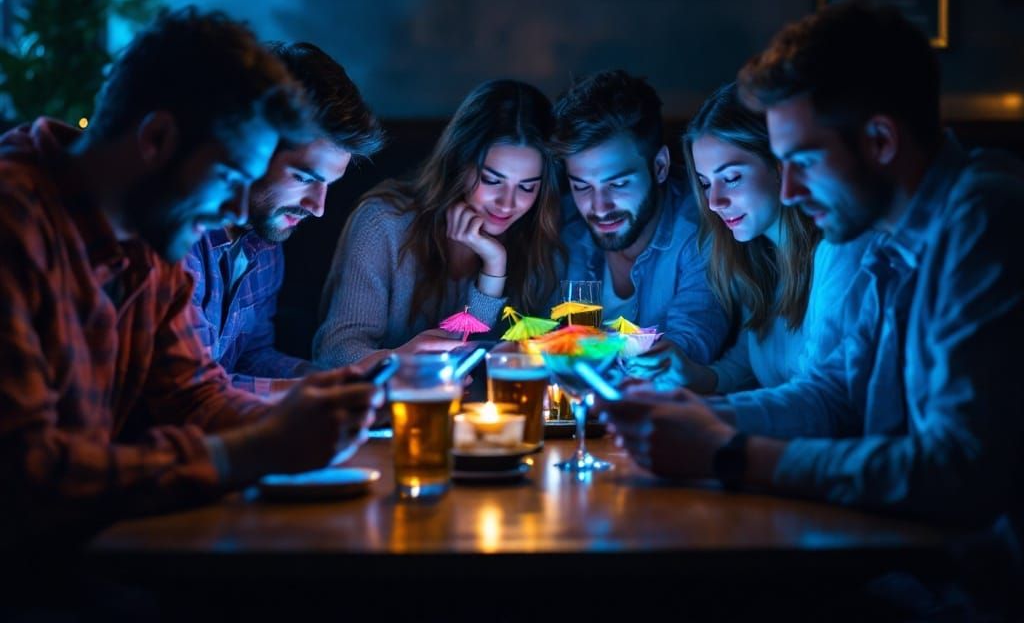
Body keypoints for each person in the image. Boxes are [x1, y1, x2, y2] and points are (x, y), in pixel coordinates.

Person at [602, 0, 1023, 595]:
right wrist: (694, 419)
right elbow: (836, 397)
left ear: (879, 140)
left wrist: (728, 454)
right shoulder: (888, 232)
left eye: (800, 160)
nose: (790, 188)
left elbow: (959, 471)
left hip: (970, 591)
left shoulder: (984, 219)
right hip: (905, 564)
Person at [0, 9, 381, 545]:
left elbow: (195, 396)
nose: (234, 209)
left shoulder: (151, 233)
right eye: (229, 177)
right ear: (155, 139)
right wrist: (253, 450)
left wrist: (306, 416)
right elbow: (31, 477)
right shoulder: (16, 221)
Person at [313, 79, 564, 367]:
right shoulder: (385, 223)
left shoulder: (539, 238)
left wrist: (494, 266)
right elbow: (333, 354)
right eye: (492, 180)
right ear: (459, 163)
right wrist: (401, 359)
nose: (507, 203)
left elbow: (499, 362)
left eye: (527, 187)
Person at [185, 41, 385, 380]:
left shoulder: (265, 240)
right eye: (304, 178)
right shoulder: (181, 235)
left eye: (329, 186)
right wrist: (319, 395)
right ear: (254, 147)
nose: (317, 207)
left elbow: (251, 356)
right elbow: (189, 391)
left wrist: (331, 380)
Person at [663, 82, 871, 394]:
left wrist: (707, 419)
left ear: (780, 167)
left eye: (731, 178)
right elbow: (744, 366)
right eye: (705, 184)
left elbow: (821, 401)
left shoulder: (836, 252)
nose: (714, 201)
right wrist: (689, 374)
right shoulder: (760, 258)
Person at [551, 69, 729, 377]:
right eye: (582, 186)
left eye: (618, 184)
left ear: (659, 166)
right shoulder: (564, 228)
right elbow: (488, 334)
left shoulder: (702, 230)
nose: (599, 207)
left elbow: (687, 349)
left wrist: (569, 353)